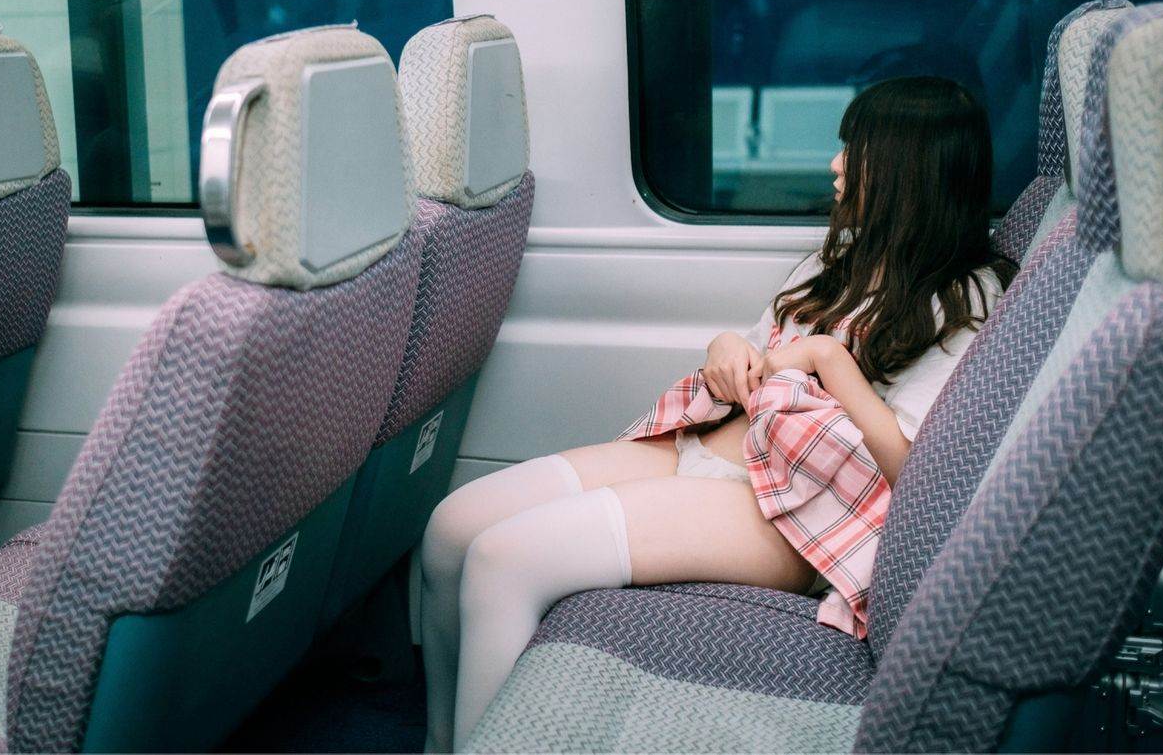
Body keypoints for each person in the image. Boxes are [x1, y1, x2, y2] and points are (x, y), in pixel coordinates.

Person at [419, 76, 1017, 751]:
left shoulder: (964, 300)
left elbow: (912, 470)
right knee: (453, 529)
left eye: (854, 151)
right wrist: (726, 349)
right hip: (712, 444)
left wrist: (829, 359)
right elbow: (759, 356)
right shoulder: (839, 262)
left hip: (788, 509)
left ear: (906, 172)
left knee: (504, 560)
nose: (835, 165)